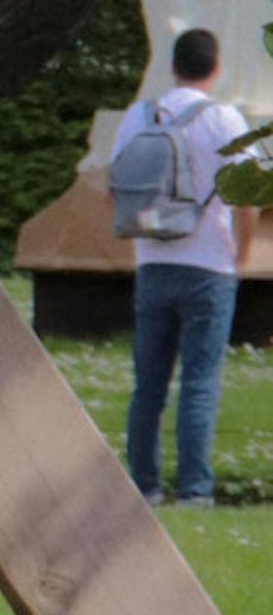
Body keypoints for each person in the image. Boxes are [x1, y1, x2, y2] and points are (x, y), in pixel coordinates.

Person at [125, 27, 247, 512]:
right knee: (199, 381)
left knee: (148, 384)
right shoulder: (225, 120)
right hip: (209, 265)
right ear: (215, 67)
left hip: (153, 262)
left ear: (172, 66)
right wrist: (239, 252)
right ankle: (195, 490)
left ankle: (144, 486)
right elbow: (248, 193)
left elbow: (116, 188)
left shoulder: (140, 116)